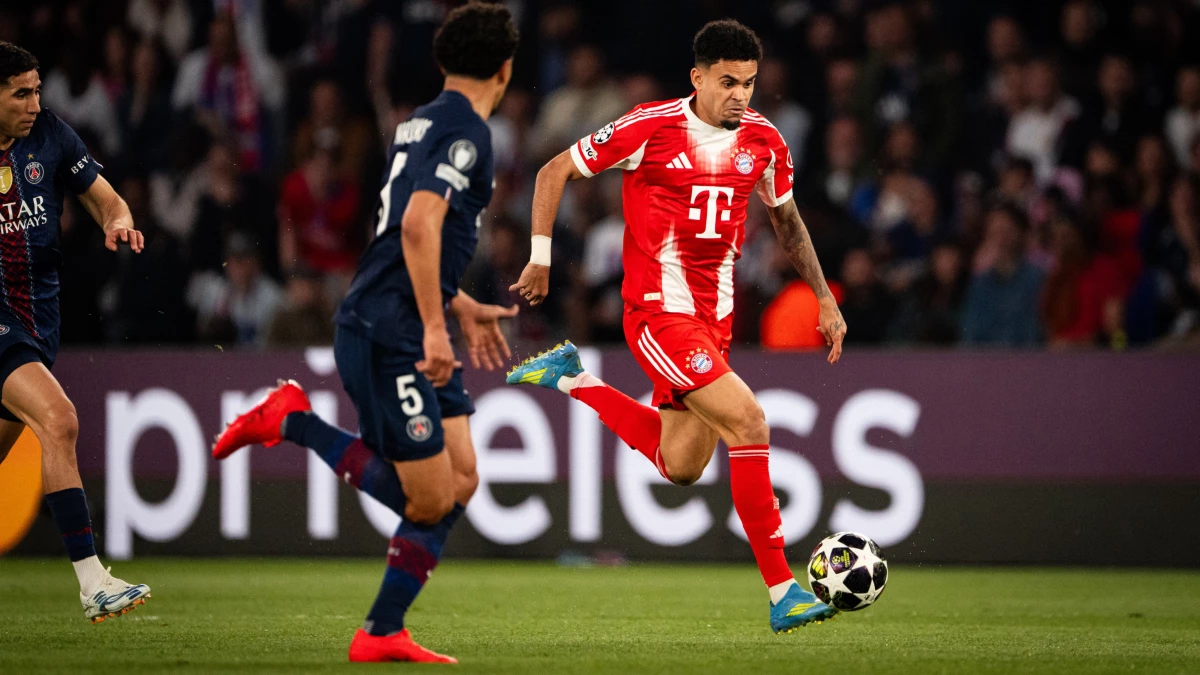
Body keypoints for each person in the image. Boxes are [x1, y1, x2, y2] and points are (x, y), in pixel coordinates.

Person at [506, 20, 847, 634]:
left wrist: (823, 296)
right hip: (658, 315)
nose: (740, 95)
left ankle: (572, 380)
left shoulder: (766, 143)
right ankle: (782, 592)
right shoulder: (650, 126)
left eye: (748, 83)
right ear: (698, 78)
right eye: (727, 82)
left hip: (713, 322)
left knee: (683, 465)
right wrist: (540, 256)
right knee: (749, 421)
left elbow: (788, 224)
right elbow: (552, 171)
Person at [210, 3, 520, 663]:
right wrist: (438, 329)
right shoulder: (470, 132)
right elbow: (415, 228)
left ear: (442, 63)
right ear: (506, 68)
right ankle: (294, 418)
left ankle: (381, 632)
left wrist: (455, 304)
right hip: (391, 333)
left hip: (403, 317)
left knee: (461, 478)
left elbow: (400, 242)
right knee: (429, 496)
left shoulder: (417, 123)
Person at [0, 42, 150, 622]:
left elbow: (107, 200)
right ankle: (94, 583)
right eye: (20, 93)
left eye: (37, 90)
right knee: (59, 421)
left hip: (38, 323)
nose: (34, 103)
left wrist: (119, 222)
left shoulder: (53, 137)